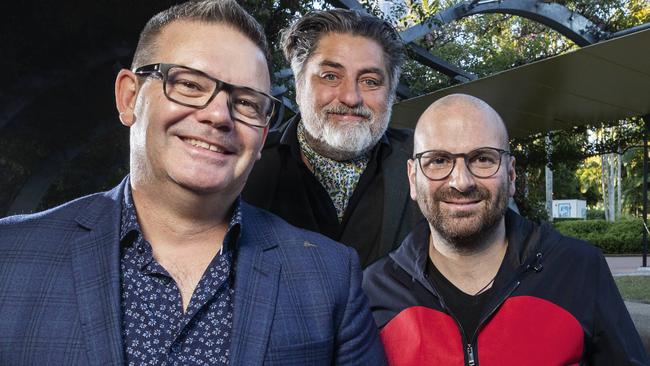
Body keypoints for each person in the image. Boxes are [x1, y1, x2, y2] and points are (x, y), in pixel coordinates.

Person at [0, 1, 386, 365]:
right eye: (189, 84)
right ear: (129, 97)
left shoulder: (328, 276)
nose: (219, 115)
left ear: (263, 132)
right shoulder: (10, 255)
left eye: (247, 103)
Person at [363, 94, 649, 365]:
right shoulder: (373, 289)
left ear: (511, 174)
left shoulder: (579, 268)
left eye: (483, 159)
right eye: (438, 161)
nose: (461, 182)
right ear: (413, 179)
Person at [242, 9, 422, 268]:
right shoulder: (245, 165)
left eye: (370, 81)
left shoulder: (429, 162)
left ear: (391, 93)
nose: (351, 97)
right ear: (298, 83)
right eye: (330, 76)